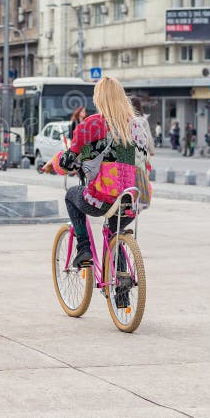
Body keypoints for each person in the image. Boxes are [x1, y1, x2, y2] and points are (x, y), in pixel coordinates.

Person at [55, 76, 152, 272]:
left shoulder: (93, 125)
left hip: (104, 197)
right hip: (136, 197)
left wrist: (57, 163)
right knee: (114, 233)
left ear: (98, 98)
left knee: (71, 195)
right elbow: (142, 163)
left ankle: (84, 248)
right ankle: (122, 290)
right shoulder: (137, 126)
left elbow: (72, 160)